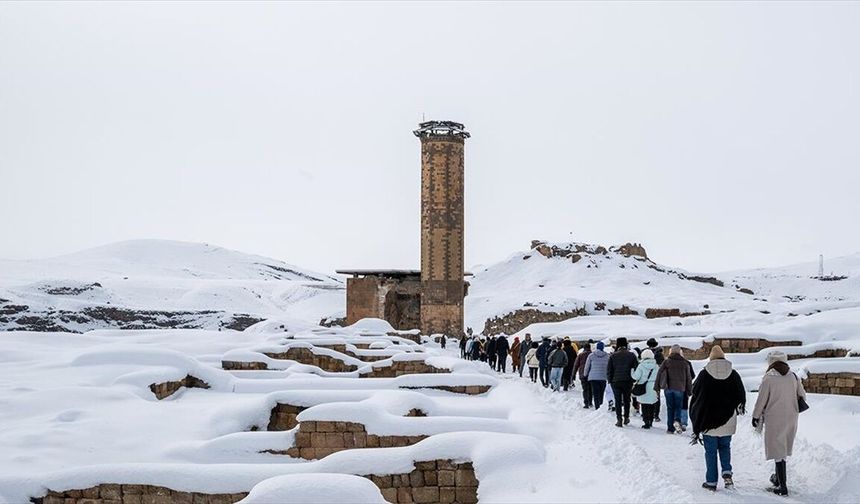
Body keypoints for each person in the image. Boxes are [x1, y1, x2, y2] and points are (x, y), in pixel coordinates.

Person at [690, 346, 746, 492]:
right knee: (725, 447)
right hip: (728, 419)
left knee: (710, 452)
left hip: (708, 421)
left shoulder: (703, 375)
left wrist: (696, 418)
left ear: (711, 358)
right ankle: (727, 474)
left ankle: (711, 481)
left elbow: (695, 395)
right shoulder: (733, 374)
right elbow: (741, 395)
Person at [752, 351, 806, 497]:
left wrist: (755, 417)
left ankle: (782, 486)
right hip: (791, 417)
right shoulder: (794, 376)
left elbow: (761, 400)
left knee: (777, 449)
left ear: (771, 362)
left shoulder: (768, 378)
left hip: (774, 418)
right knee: (782, 447)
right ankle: (777, 479)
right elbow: (802, 395)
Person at [655, 344, 693, 434]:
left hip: (668, 388)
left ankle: (670, 428)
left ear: (671, 351)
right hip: (680, 388)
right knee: (678, 407)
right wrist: (689, 390)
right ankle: (677, 420)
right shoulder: (684, 362)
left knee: (670, 408)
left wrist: (656, 386)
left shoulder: (666, 361)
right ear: (679, 352)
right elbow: (689, 378)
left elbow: (659, 373)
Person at [607, 337, 639, 427]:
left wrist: (610, 380)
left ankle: (619, 419)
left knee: (617, 400)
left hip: (615, 381)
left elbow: (609, 370)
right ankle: (626, 417)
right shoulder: (632, 355)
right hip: (628, 381)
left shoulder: (613, 355)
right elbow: (636, 368)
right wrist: (633, 379)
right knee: (626, 400)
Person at [631, 348, 660, 429]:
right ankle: (651, 420)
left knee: (644, 405)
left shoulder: (641, 365)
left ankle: (646, 422)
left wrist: (632, 371)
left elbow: (636, 377)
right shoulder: (656, 366)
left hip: (643, 386)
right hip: (653, 387)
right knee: (651, 404)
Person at [584, 341, 609, 410]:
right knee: (601, 392)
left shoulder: (591, 355)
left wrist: (585, 374)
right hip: (603, 377)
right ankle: (600, 404)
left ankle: (597, 406)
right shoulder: (607, 356)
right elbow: (609, 367)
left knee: (595, 392)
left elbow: (587, 366)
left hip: (593, 377)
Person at [646, 338, 665, 421]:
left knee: (647, 396)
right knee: (656, 396)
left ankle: (648, 413)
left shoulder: (646, 353)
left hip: (647, 378)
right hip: (657, 378)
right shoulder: (660, 354)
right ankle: (656, 414)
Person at [573, 340, 594, 408]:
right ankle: (590, 402)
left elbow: (576, 365)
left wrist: (573, 374)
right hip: (591, 374)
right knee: (590, 389)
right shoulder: (592, 355)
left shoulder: (580, 355)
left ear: (584, 348)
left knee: (585, 389)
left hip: (582, 374)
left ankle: (586, 403)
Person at [680, 354, 696, 431]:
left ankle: (675, 421)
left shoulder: (668, 362)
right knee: (684, 405)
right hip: (684, 387)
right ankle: (683, 422)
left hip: (672, 387)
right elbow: (692, 375)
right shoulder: (687, 363)